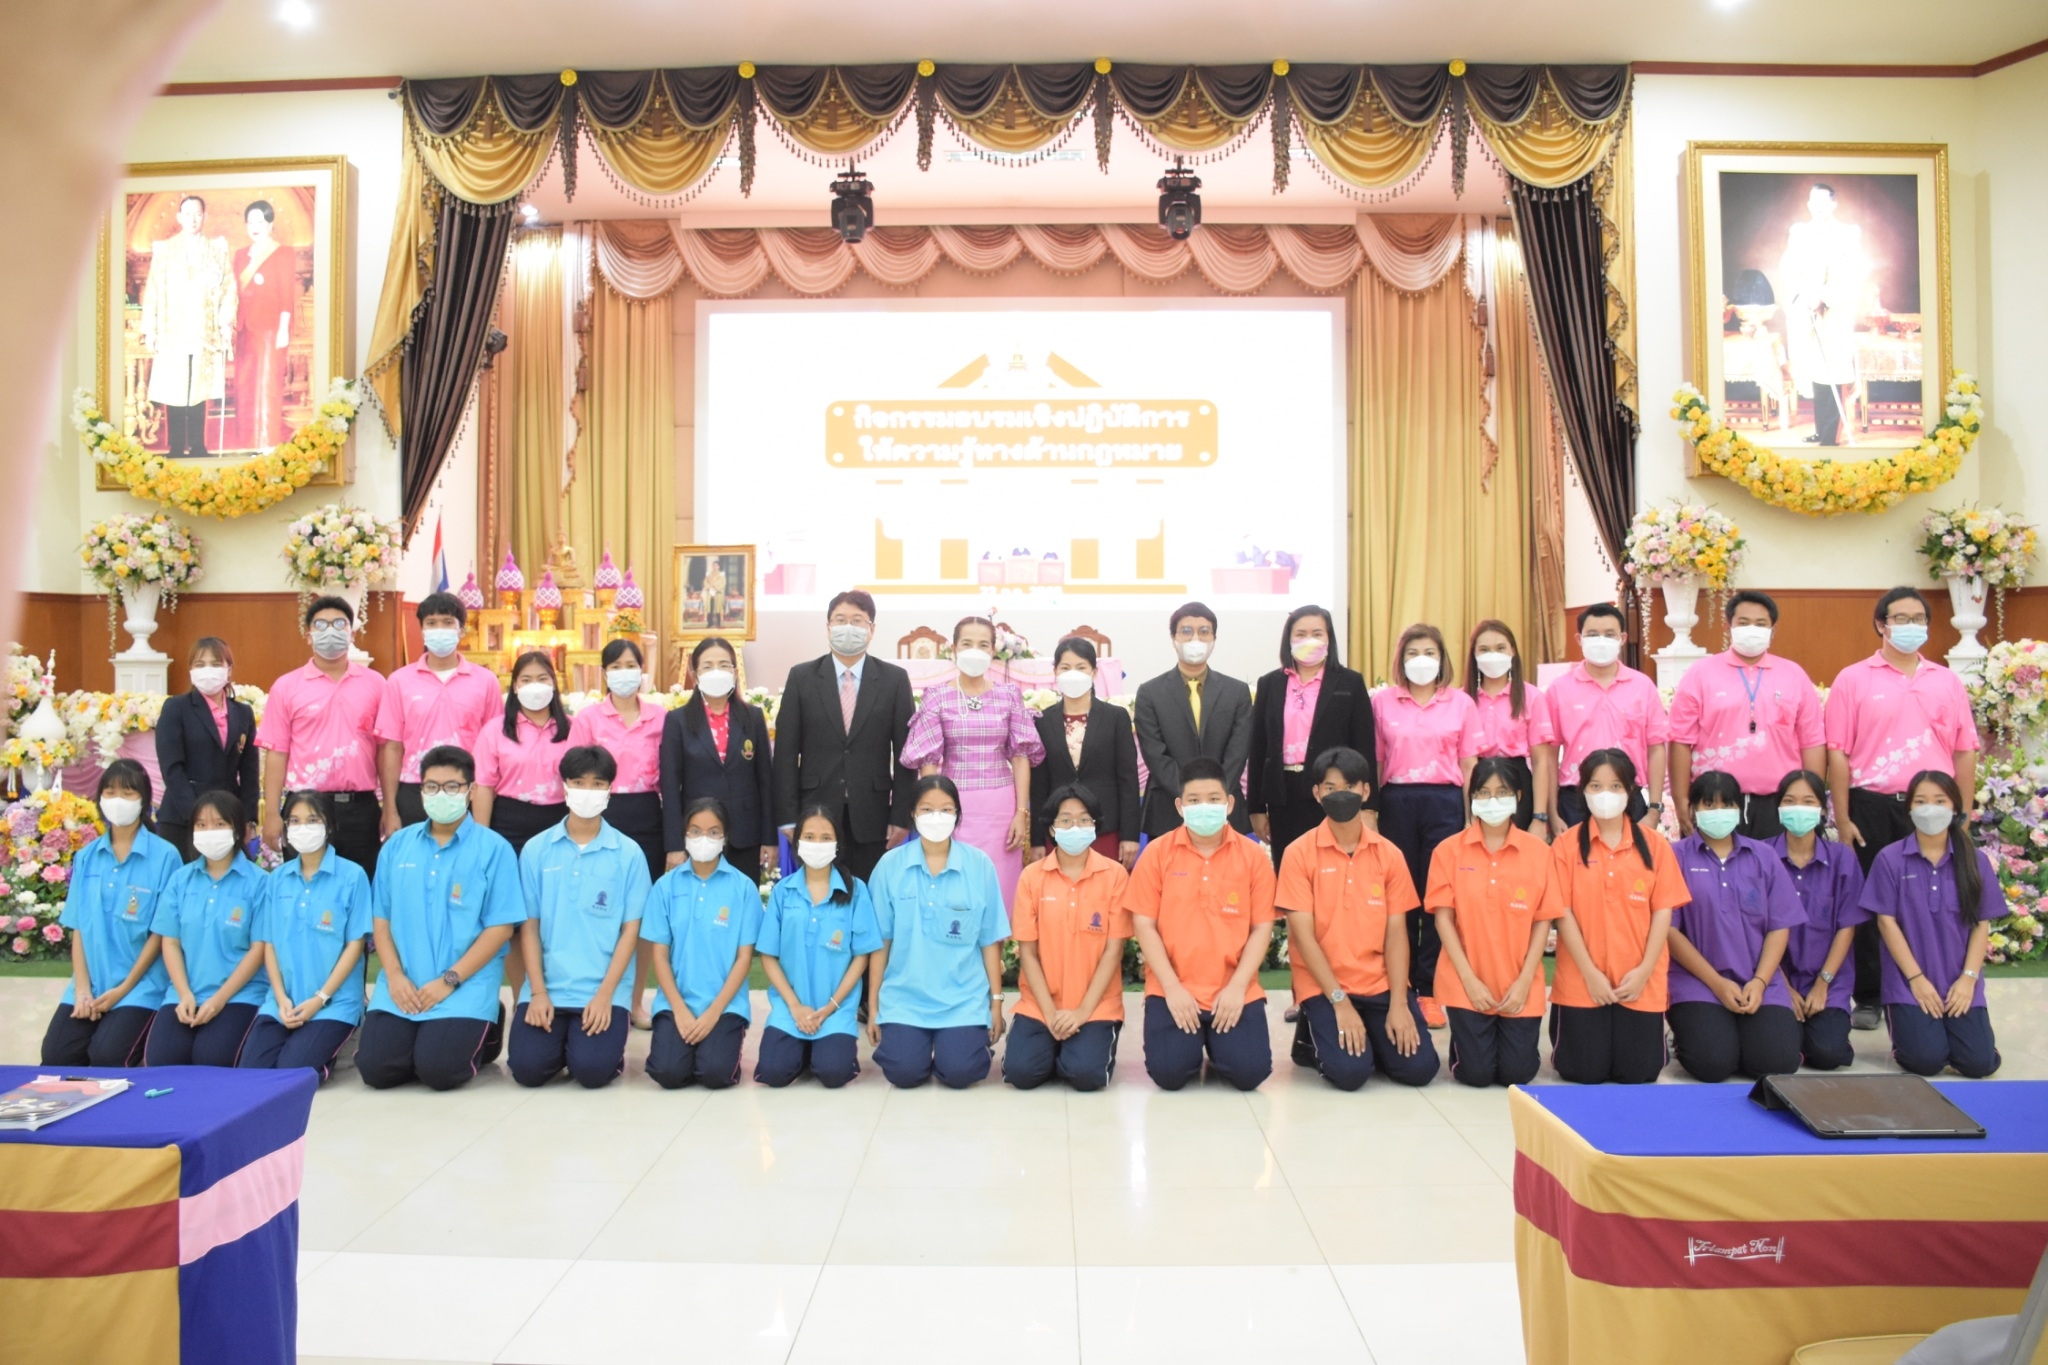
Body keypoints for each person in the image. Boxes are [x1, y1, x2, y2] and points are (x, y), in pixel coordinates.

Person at [1826, 586, 1980, 1032]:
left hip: (1932, 809)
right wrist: (1842, 818)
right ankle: (1870, 996)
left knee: (1932, 900)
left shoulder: (1946, 681)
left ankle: (1929, 987)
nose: (1911, 626)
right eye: (1901, 618)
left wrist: (1963, 814)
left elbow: (1964, 750)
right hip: (1872, 805)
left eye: (1919, 619)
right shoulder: (1853, 679)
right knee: (1873, 903)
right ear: (1881, 624)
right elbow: (1838, 753)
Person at [356, 746, 524, 1090]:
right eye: (432, 787)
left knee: (439, 1071)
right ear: (421, 791)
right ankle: (427, 1035)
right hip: (404, 983)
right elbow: (381, 920)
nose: (441, 795)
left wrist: (449, 980)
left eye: (452, 787)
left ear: (471, 791)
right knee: (376, 1070)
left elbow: (501, 928)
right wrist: (395, 976)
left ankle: (488, 1027)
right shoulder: (397, 847)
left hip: (464, 983)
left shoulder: (494, 849)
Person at [1278, 747, 1440, 1089]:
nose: (1341, 795)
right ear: (1317, 793)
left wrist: (1400, 1003)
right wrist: (1339, 1001)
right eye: (1331, 787)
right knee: (1350, 1074)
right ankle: (1311, 1036)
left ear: (1366, 791)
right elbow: (1303, 938)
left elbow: (1397, 934)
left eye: (1350, 786)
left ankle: (1370, 1036)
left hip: (1378, 983)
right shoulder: (1298, 854)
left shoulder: (1389, 855)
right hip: (1325, 986)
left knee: (1420, 1070)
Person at [1123, 757, 1276, 1091]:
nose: (1204, 807)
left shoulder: (1253, 857)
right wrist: (1172, 988)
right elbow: (1144, 925)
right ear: (1180, 806)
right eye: (1194, 800)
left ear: (1229, 803)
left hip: (1234, 987)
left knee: (1250, 1074)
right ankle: (1195, 1045)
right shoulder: (1157, 854)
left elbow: (1262, 927)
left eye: (1213, 799)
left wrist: (1237, 987)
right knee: (1169, 1074)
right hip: (1173, 987)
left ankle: (1220, 1046)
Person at [509, 746, 650, 1089]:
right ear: (564, 786)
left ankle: (587, 1048)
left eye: (597, 783)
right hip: (547, 988)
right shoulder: (536, 850)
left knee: (591, 1071)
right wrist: (537, 992)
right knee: (527, 1071)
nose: (588, 791)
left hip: (603, 989)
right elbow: (529, 927)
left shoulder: (629, 853)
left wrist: (605, 995)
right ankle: (560, 1044)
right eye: (579, 782)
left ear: (610, 790)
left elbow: (631, 931)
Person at [1549, 749, 1691, 1084]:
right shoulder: (1566, 846)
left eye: (1615, 786)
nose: (1605, 794)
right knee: (1583, 1072)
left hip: (1639, 981)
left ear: (1630, 790)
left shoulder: (1655, 845)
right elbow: (1562, 914)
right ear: (1583, 790)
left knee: (1639, 1072)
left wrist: (1644, 972)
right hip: (1582, 980)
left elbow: (1663, 912)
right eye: (1596, 786)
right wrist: (1590, 974)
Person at [1426, 758, 1563, 1087]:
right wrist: (1469, 981)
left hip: (1519, 981)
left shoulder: (1539, 852)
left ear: (1518, 796)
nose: (1492, 800)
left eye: (1502, 792)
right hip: (1466, 982)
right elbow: (1443, 920)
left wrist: (1524, 980)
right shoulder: (1448, 851)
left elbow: (1543, 920)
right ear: (1471, 797)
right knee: (1476, 1074)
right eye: (1483, 793)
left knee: (1518, 1074)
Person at [865, 776, 1009, 1089]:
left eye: (946, 809)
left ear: (958, 814)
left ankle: (959, 1045)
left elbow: (989, 941)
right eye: (927, 809)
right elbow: (880, 942)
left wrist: (996, 1003)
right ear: (913, 814)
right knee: (904, 1073)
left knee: (961, 1072)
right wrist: (874, 1006)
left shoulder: (979, 865)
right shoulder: (890, 866)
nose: (936, 817)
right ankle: (915, 1046)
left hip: (963, 999)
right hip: (905, 998)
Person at [1665, 771, 1804, 1083]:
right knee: (1712, 1064)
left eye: (1727, 804)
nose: (1719, 812)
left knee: (1776, 1063)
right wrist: (1716, 984)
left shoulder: (1764, 856)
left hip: (1759, 981)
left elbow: (1780, 925)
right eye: (1709, 804)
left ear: (1739, 808)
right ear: (1693, 809)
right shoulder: (1675, 857)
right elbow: (1670, 930)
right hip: (1697, 982)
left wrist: (1760, 982)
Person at [39, 761, 181, 1066]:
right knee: (56, 1056)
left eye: (128, 793)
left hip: (140, 987)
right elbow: (79, 926)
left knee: (108, 1056)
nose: (118, 800)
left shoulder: (165, 856)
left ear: (144, 799)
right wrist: (81, 989)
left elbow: (161, 933)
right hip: (90, 984)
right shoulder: (87, 857)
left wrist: (123, 990)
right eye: (110, 792)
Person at [1862, 771, 2002, 1078]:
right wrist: (1916, 979)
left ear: (1955, 808)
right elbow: (1886, 922)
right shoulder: (1890, 859)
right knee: (1926, 1061)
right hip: (1909, 982)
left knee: (1978, 1064)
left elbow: (1981, 923)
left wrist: (1968, 979)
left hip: (1959, 980)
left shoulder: (1974, 861)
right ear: (1909, 809)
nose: (1930, 809)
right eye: (1921, 801)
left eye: (1940, 801)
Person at [1375, 622, 1479, 1028]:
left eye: (1429, 653)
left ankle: (1430, 989)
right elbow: (1378, 761)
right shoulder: (1383, 702)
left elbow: (1469, 764)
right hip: (1397, 802)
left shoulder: (1461, 703)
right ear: (1401, 660)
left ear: (1442, 659)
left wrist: (1471, 816)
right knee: (1400, 896)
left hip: (1444, 803)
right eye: (1413, 653)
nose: (1421, 661)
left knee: (1437, 897)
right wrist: (1371, 811)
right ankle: (1399, 985)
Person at [772, 590, 917, 881]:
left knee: (869, 892)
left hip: (873, 816)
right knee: (819, 893)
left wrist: (900, 816)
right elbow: (785, 753)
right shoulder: (801, 678)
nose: (848, 627)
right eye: (840, 620)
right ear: (828, 627)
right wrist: (788, 817)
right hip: (815, 813)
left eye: (857, 620)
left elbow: (906, 755)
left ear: (871, 629)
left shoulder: (894, 680)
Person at [901, 615, 1045, 904]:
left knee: (1000, 885)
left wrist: (1021, 812)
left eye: (982, 645)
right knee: (955, 882)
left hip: (1001, 806)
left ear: (992, 650)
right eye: (967, 644)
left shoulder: (1009, 695)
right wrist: (935, 811)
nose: (974, 651)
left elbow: (1021, 756)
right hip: (953, 803)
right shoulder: (937, 697)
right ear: (954, 648)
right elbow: (929, 761)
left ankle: (1002, 935)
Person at [1004, 783, 1132, 1092]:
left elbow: (1113, 951)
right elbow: (1028, 953)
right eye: (1065, 820)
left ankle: (1074, 1050)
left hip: (1096, 1005)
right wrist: (1050, 1014)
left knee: (1085, 1076)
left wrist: (1082, 1013)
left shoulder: (1115, 875)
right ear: (1051, 828)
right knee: (1021, 1073)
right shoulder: (1032, 877)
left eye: (1084, 819)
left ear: (1095, 825)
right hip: (1040, 1004)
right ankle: (1054, 1047)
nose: (1075, 826)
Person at [1668, 591, 1825, 841]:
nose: (1752, 629)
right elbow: (1680, 740)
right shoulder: (1700, 673)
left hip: (1779, 801)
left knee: (1775, 866)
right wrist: (1681, 800)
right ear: (1728, 626)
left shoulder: (1794, 675)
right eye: (1743, 622)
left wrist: (1811, 798)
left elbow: (1812, 741)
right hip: (1715, 803)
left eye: (1761, 624)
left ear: (1773, 630)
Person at [567, 638, 668, 1027]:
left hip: (647, 817)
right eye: (616, 666)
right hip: (599, 816)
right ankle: (589, 995)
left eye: (631, 665)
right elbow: (573, 774)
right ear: (604, 673)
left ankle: (635, 1001)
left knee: (638, 915)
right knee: (597, 907)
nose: (624, 673)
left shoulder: (660, 718)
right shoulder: (588, 719)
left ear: (642, 671)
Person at [239, 790, 371, 1079]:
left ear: (329, 825)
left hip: (333, 1003)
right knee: (251, 1073)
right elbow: (269, 943)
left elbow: (355, 945)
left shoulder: (352, 876)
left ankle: (333, 1052)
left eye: (312, 820)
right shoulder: (277, 879)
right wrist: (280, 997)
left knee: (292, 1073)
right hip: (283, 1001)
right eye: (295, 821)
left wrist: (320, 998)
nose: (303, 827)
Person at [257, 595, 386, 877]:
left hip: (359, 808)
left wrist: (389, 807)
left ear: (352, 633)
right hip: (305, 808)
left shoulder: (376, 684)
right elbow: (277, 753)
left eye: (339, 624)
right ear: (308, 635)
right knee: (305, 885)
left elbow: (385, 750)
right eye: (321, 624)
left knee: (360, 883)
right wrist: (272, 814)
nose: (330, 631)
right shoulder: (286, 686)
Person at [755, 805, 882, 1088]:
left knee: (833, 1072)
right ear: (798, 842)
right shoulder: (783, 891)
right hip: (791, 1008)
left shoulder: (856, 890)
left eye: (826, 838)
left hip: (835, 1008)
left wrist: (830, 1007)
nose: (817, 844)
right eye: (810, 837)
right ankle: (802, 1049)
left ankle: (821, 1049)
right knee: (774, 1072)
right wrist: (794, 1006)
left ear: (837, 844)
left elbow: (862, 956)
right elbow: (768, 955)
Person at [643, 797, 764, 1089]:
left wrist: (713, 1013)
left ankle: (719, 1042)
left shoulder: (743, 888)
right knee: (668, 1073)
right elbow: (659, 956)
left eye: (713, 832)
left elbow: (744, 958)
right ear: (684, 834)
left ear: (725, 837)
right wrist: (680, 1010)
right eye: (695, 831)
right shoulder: (666, 886)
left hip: (725, 1005)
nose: (703, 839)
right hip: (676, 1001)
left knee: (715, 1073)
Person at [1248, 604, 1378, 870]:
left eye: (1317, 634)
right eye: (1301, 634)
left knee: (1334, 868)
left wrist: (1368, 807)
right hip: (1283, 795)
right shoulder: (1270, 684)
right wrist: (1256, 808)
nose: (1309, 640)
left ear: (1329, 638)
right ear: (1288, 640)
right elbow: (1258, 747)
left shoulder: (1350, 682)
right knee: (1290, 869)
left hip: (1335, 791)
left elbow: (1364, 746)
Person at [145, 791, 268, 1067]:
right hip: (185, 993)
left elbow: (258, 949)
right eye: (201, 825)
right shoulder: (181, 879)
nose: (209, 831)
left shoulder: (259, 882)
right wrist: (183, 993)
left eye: (219, 824)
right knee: (162, 1060)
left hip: (239, 995)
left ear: (238, 829)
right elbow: (170, 941)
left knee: (212, 1058)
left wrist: (219, 999)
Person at [377, 591, 501, 835]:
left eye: (447, 622)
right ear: (422, 630)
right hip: (415, 788)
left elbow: (493, 746)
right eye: (431, 623)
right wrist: (390, 808)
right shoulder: (399, 681)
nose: (439, 629)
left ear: (461, 630)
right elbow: (392, 747)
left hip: (467, 789)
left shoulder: (486, 681)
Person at [1773, 769, 1867, 1071]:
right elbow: (1756, 930)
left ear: (1822, 810)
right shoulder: (1762, 856)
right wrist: (1782, 986)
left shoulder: (1842, 859)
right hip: (1774, 979)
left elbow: (1847, 926)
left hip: (1828, 980)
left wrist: (1822, 984)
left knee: (1827, 1054)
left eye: (1808, 801)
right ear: (1778, 807)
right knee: (1776, 1055)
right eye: (1789, 801)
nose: (1798, 808)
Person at [1134, 601, 1253, 838]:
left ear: (1214, 639)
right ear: (1173, 638)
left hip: (1224, 806)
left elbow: (1238, 752)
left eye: (1204, 631)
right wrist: (1190, 796)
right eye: (1186, 631)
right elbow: (1155, 754)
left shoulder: (1237, 691)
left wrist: (1214, 796)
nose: (1195, 639)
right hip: (1169, 806)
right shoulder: (1150, 693)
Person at [1545, 604, 1669, 829]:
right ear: (1579, 638)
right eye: (1593, 634)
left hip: (1628, 794)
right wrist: (1552, 813)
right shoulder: (1559, 689)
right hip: (1575, 798)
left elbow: (1656, 748)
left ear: (1622, 638)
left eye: (1609, 634)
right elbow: (1549, 755)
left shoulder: (1642, 686)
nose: (1601, 641)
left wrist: (1654, 810)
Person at [662, 636, 775, 879]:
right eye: (708, 666)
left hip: (745, 835)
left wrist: (769, 839)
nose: (716, 671)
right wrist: (674, 845)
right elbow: (670, 787)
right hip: (697, 835)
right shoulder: (677, 721)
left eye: (724, 665)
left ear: (735, 672)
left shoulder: (753, 717)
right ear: (694, 674)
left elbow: (766, 781)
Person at [1029, 635, 1140, 870]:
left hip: (1106, 827)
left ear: (1094, 672)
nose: (1073, 674)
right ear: (1055, 672)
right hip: (1058, 830)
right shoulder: (1043, 721)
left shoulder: (1115, 717)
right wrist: (1037, 839)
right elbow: (1039, 785)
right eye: (1065, 667)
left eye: (1081, 667)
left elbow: (1128, 780)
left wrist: (1130, 835)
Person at [140, 192, 233, 459]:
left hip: (204, 331)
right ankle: (176, 446)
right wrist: (150, 330)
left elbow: (228, 289)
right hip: (173, 330)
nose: (193, 219)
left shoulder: (217, 250)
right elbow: (153, 290)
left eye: (198, 214)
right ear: (179, 217)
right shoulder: (165, 250)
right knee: (175, 389)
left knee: (199, 390)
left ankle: (198, 445)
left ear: (204, 217)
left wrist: (226, 324)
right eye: (188, 214)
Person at [154, 635, 260, 862]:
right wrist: (198, 817)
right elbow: (172, 768)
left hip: (228, 818)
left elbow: (249, 772)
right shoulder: (176, 708)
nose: (208, 670)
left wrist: (248, 818)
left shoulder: (243, 713)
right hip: (183, 819)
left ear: (228, 669)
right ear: (191, 670)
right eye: (200, 664)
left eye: (215, 663)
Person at [1780, 182, 1866, 448]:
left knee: (1834, 371)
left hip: (1834, 312)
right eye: (1813, 202)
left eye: (1823, 202)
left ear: (1833, 204)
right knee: (1816, 371)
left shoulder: (1847, 233)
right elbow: (1789, 268)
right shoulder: (1799, 232)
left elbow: (1851, 273)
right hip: (1806, 310)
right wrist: (1804, 296)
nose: (1817, 207)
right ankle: (1821, 430)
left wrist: (1824, 297)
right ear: (1808, 204)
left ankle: (1831, 437)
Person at [472, 650, 574, 856]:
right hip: (509, 822)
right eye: (526, 680)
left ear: (554, 684)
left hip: (560, 822)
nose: (534, 686)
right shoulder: (495, 730)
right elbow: (484, 786)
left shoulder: (574, 728)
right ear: (515, 686)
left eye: (542, 679)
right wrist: (481, 839)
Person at [1463, 620, 1556, 837]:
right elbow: (1464, 763)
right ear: (1474, 654)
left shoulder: (1531, 697)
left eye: (1500, 648)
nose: (1492, 655)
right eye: (1484, 649)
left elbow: (1541, 761)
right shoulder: (1462, 699)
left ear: (1512, 651)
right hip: (1476, 779)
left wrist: (1539, 817)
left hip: (1517, 781)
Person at [228, 198, 294, 451]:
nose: (255, 227)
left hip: (270, 329)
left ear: (270, 224)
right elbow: (234, 292)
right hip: (244, 328)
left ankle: (267, 443)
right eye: (250, 222)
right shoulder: (240, 255)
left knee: (267, 385)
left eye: (260, 221)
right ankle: (246, 443)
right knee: (244, 386)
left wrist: (283, 329)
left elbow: (287, 293)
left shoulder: (283, 253)